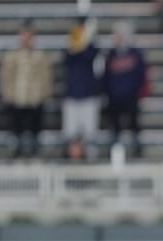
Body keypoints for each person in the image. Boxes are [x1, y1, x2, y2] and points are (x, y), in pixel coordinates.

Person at [0, 19, 52, 158]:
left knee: (36, 127)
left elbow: (45, 76)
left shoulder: (39, 55)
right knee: (17, 128)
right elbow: (7, 76)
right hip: (18, 97)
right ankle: (17, 151)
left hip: (35, 97)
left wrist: (44, 94)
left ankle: (35, 151)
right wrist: (8, 94)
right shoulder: (12, 55)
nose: (26, 39)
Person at [103, 20, 147, 158]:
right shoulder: (110, 54)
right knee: (115, 125)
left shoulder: (135, 54)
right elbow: (106, 76)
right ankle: (115, 149)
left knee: (134, 123)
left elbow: (141, 75)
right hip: (114, 96)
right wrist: (107, 92)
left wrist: (136, 91)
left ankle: (136, 148)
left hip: (130, 95)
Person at [62, 16, 100, 161]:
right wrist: (77, 42)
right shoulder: (72, 42)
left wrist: (86, 40)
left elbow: (91, 55)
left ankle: (91, 163)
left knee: (90, 135)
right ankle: (70, 162)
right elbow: (67, 59)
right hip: (72, 96)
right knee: (70, 134)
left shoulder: (91, 45)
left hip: (88, 96)